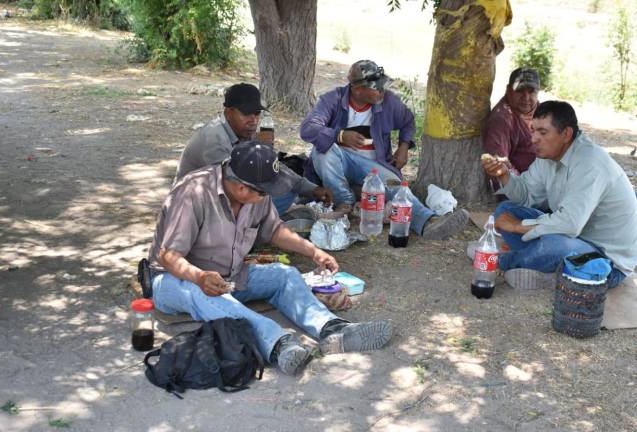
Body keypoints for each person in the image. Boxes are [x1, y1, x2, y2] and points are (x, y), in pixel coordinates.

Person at [148, 141, 392, 375]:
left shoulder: (256, 195)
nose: (269, 196)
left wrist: (313, 251)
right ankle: (277, 344)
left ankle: (332, 329)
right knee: (199, 291)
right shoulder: (194, 192)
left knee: (283, 274)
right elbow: (169, 256)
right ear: (241, 188)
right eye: (265, 192)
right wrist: (199, 277)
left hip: (229, 277)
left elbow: (274, 230)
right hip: (175, 280)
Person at [483, 67, 637, 220]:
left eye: (532, 92)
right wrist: (517, 187)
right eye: (521, 91)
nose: (527, 98)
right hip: (537, 184)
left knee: (597, 181)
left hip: (556, 172)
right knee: (587, 191)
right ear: (509, 90)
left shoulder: (539, 112)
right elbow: (499, 164)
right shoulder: (503, 120)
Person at [300, 59, 469, 240]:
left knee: (395, 187)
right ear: (358, 89)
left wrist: (404, 147)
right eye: (376, 88)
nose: (382, 91)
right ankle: (345, 206)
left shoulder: (388, 101)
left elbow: (408, 121)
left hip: (372, 167)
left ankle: (429, 222)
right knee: (322, 151)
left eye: (382, 86)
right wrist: (340, 135)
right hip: (337, 167)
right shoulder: (333, 99)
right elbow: (308, 128)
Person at [482, 101, 637, 290]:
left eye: (542, 132)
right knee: (505, 210)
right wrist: (505, 175)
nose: (533, 139)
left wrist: (518, 226)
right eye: (533, 130)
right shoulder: (548, 156)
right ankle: (549, 270)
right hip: (574, 237)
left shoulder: (589, 163)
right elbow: (526, 195)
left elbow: (570, 224)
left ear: (566, 134)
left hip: (606, 262)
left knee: (554, 246)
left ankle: (501, 261)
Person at [175, 83, 333, 215]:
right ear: (228, 112)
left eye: (257, 114)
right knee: (267, 198)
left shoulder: (241, 131)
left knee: (287, 190)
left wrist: (312, 189)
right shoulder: (214, 139)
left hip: (225, 196)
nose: (254, 120)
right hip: (196, 206)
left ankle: (260, 222)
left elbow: (273, 168)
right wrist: (254, 147)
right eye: (246, 114)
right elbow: (234, 183)